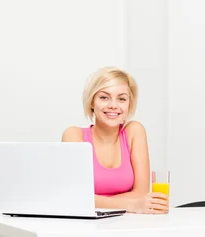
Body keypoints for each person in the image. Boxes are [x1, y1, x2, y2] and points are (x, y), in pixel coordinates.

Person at [61, 67, 169, 214]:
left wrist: (97, 201)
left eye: (122, 99)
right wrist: (131, 205)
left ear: (129, 104)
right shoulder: (74, 135)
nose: (113, 105)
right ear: (92, 101)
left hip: (127, 224)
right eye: (104, 97)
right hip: (87, 226)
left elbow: (142, 193)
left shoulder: (134, 131)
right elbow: (75, 197)